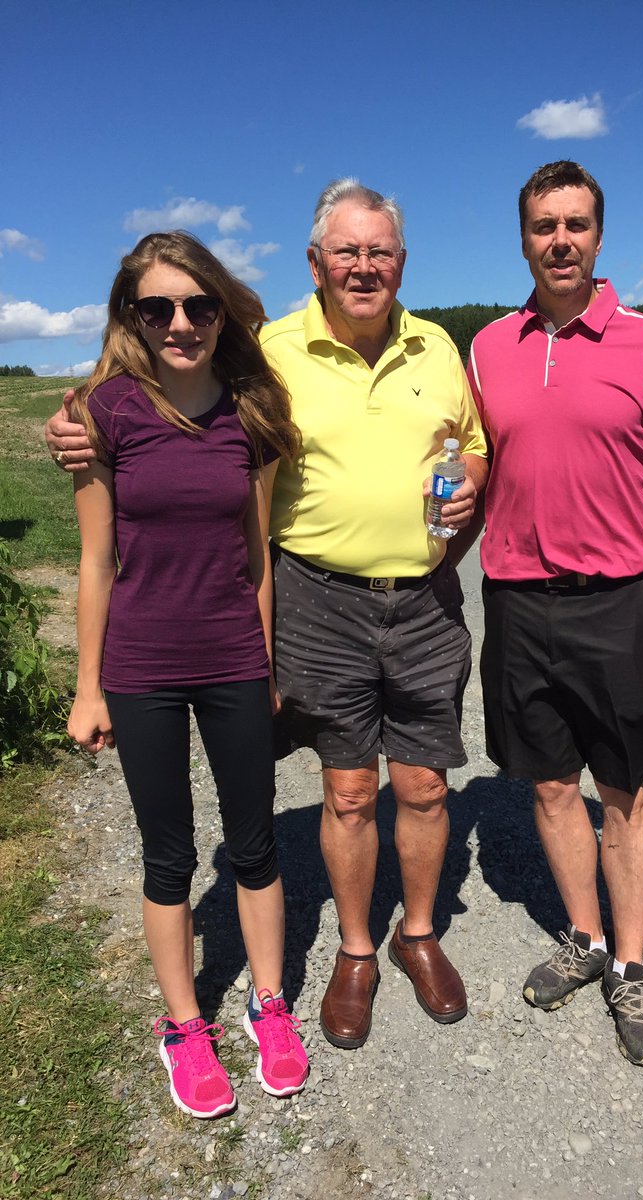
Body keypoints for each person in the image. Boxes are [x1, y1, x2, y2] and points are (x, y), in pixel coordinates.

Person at [48, 180, 488, 1051]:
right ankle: (355, 950)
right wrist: (78, 426)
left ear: (403, 261)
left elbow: (469, 440)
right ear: (316, 263)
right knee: (350, 787)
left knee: (427, 784)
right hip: (317, 595)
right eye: (348, 252)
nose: (365, 267)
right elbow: (170, 391)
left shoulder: (439, 345)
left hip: (427, 597)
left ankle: (421, 933)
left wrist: (471, 470)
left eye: (382, 252)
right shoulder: (270, 351)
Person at [462, 161, 643, 1067]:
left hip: (613, 607)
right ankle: (586, 937)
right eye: (542, 226)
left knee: (623, 790)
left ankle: (632, 964)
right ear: (522, 238)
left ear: (600, 237)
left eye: (575, 225)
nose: (559, 241)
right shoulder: (487, 349)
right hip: (516, 602)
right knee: (551, 785)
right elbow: (469, 466)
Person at [65, 231, 308, 1119]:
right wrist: (89, 687)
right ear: (132, 314)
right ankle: (183, 1025)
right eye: (157, 307)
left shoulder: (250, 414)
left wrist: (267, 660)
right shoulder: (105, 413)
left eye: (198, 305)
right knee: (169, 854)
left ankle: (269, 1006)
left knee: (256, 840)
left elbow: (258, 555)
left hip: (233, 658)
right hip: (141, 666)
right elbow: (95, 562)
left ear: (221, 310)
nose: (180, 323)